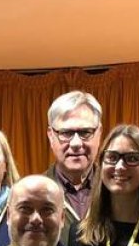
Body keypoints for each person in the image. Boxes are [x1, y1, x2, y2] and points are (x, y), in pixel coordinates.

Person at [43, 90, 103, 224]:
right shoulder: (35, 194)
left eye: (85, 132)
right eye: (66, 133)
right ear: (51, 136)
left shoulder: (117, 191)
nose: (76, 143)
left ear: (99, 133)